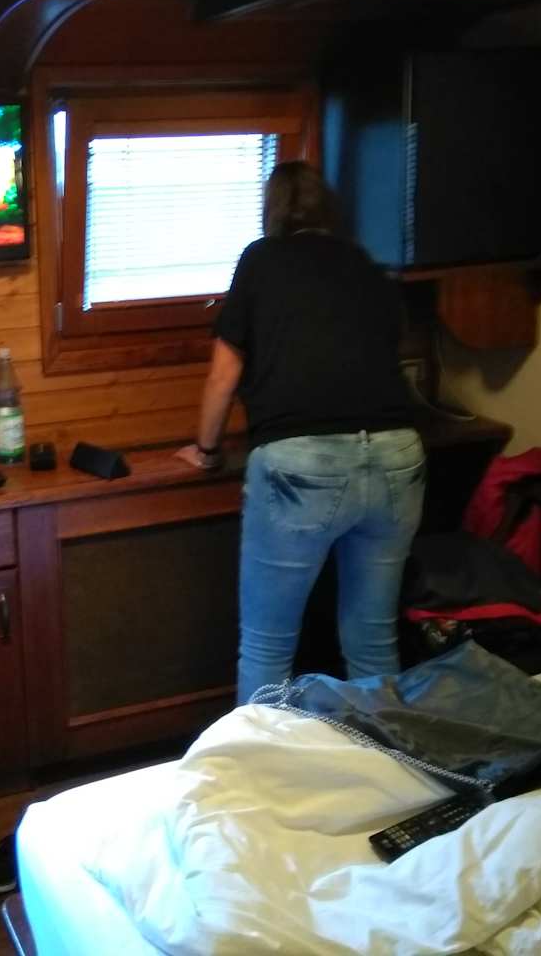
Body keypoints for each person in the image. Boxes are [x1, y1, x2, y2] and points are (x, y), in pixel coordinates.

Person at [176, 161, 424, 702]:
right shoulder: (366, 264)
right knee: (373, 643)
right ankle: (387, 755)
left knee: (267, 648)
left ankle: (260, 758)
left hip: (303, 464)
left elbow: (224, 375)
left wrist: (207, 449)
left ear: (273, 212)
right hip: (397, 456)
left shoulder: (261, 260)